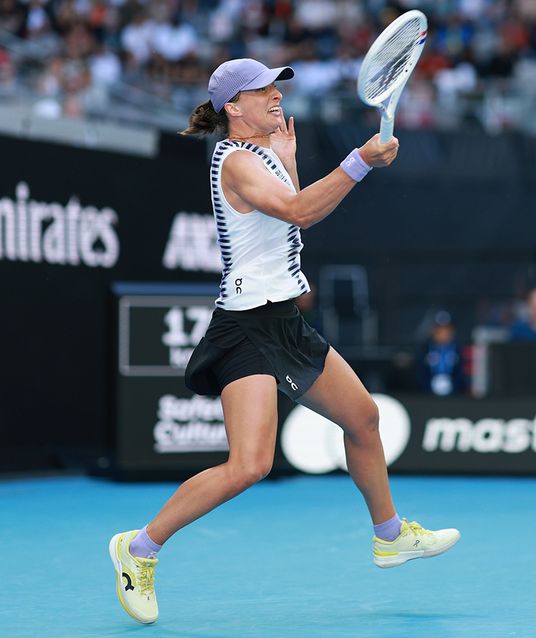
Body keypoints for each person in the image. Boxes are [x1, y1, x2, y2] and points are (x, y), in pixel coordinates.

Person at [108, 58, 460, 626]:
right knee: (249, 465)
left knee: (364, 419)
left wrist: (290, 162)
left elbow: (286, 224)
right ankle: (139, 548)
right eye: (261, 90)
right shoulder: (236, 161)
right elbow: (300, 212)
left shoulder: (267, 153)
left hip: (283, 322)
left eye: (277, 87)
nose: (276, 96)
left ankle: (390, 535)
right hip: (245, 327)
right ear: (233, 107)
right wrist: (359, 161)